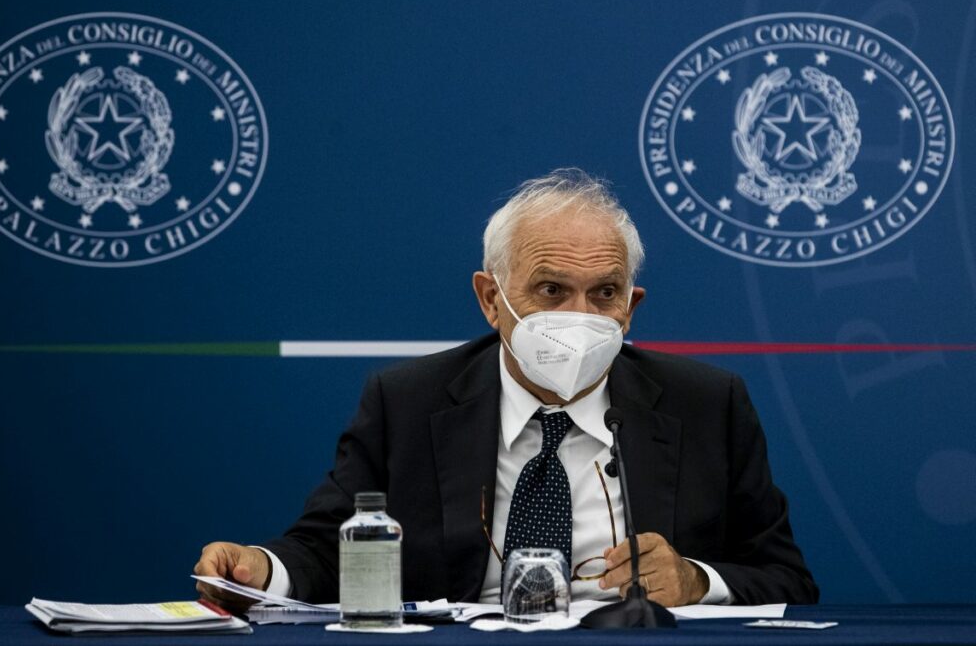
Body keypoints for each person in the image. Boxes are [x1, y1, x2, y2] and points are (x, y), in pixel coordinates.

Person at [195, 168, 818, 609]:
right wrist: (259, 571)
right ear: (491, 299)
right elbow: (331, 550)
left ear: (630, 308)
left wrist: (694, 581)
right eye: (551, 290)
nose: (579, 315)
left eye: (604, 293)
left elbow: (787, 579)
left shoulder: (706, 404)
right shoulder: (407, 402)